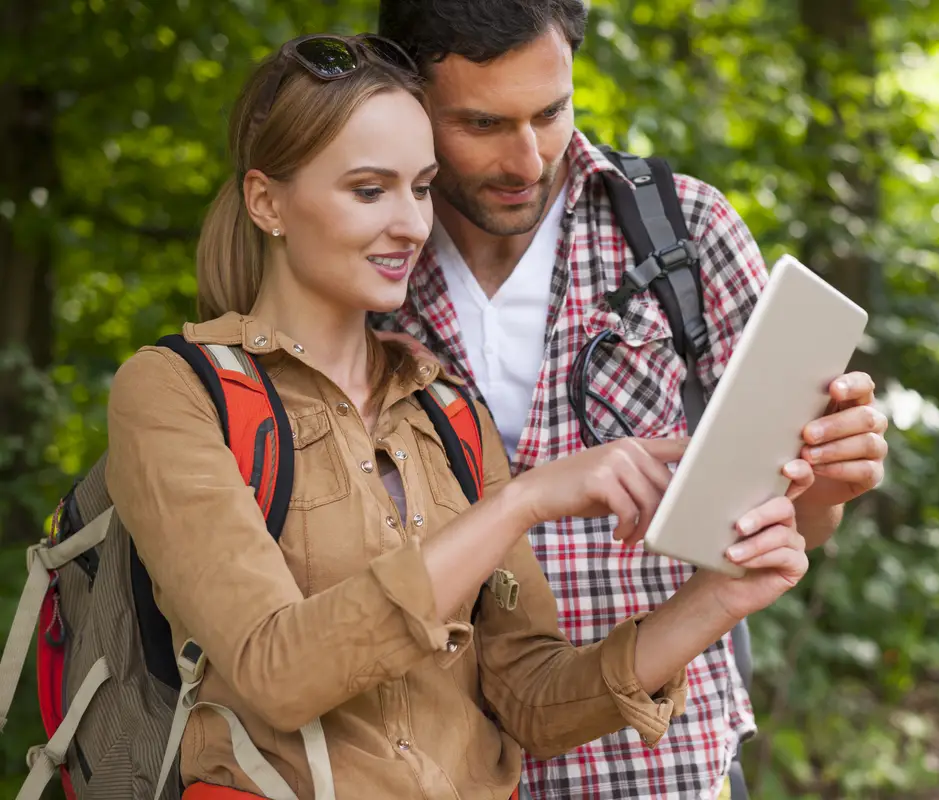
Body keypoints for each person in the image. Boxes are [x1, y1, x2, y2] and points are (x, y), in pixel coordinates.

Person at [103, 33, 816, 800]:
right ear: (266, 201)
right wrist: (524, 500)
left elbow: (531, 701)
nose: (411, 223)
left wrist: (721, 596)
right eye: (370, 190)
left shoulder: (448, 413)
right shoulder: (176, 392)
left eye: (421, 188)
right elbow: (276, 672)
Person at [373, 2, 890, 799]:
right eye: (481, 123)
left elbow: (795, 527)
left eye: (550, 112)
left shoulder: (684, 233)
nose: (526, 158)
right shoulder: (363, 261)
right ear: (407, 96)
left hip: (656, 763)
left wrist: (828, 477)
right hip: (428, 768)